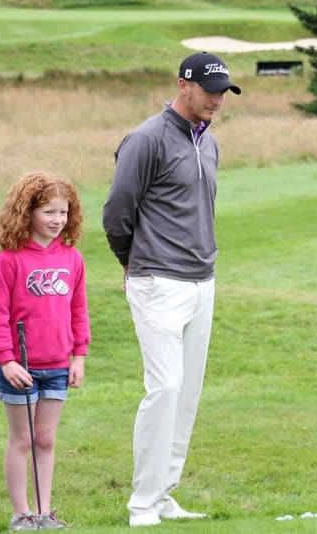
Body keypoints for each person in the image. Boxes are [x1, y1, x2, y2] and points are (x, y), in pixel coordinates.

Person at [102, 51, 240, 528]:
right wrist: (130, 263)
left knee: (187, 395)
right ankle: (142, 504)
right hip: (158, 280)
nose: (217, 100)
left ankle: (164, 496)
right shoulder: (146, 139)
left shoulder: (210, 142)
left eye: (223, 92)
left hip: (203, 280)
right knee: (165, 389)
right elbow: (117, 212)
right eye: (209, 90)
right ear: (183, 85)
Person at [0, 171, 91, 531]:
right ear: (26, 212)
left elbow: (78, 310)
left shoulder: (72, 259)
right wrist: (6, 359)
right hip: (21, 367)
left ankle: (44, 513)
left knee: (46, 439)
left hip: (59, 365)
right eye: (48, 212)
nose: (57, 220)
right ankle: (22, 513)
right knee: (23, 439)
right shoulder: (8, 260)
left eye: (63, 212)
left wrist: (79, 356)